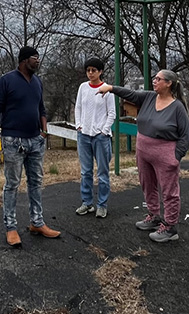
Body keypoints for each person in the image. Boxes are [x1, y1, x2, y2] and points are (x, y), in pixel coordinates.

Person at [97, 70, 189, 243]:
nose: (154, 81)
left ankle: (170, 227)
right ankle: (154, 216)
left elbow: (185, 135)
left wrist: (176, 157)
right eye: (154, 78)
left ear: (169, 83)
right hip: (143, 152)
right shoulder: (148, 97)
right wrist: (110, 88)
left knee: (169, 191)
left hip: (165, 153)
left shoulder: (177, 107)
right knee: (148, 185)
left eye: (158, 79)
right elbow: (130, 94)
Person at [0, 46, 61, 247]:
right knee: (12, 184)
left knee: (36, 182)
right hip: (13, 141)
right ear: (23, 60)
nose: (38, 61)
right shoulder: (6, 80)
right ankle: (11, 228)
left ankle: (37, 222)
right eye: (34, 58)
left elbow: (41, 109)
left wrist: (44, 131)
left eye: (38, 57)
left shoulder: (37, 82)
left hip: (35, 140)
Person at [74, 58, 116, 219]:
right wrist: (79, 125)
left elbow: (112, 113)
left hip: (100, 137)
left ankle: (102, 205)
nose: (90, 73)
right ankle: (87, 203)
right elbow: (78, 107)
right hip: (83, 135)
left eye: (94, 70)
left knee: (103, 173)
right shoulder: (83, 88)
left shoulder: (107, 90)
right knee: (85, 172)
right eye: (88, 70)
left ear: (100, 71)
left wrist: (104, 130)